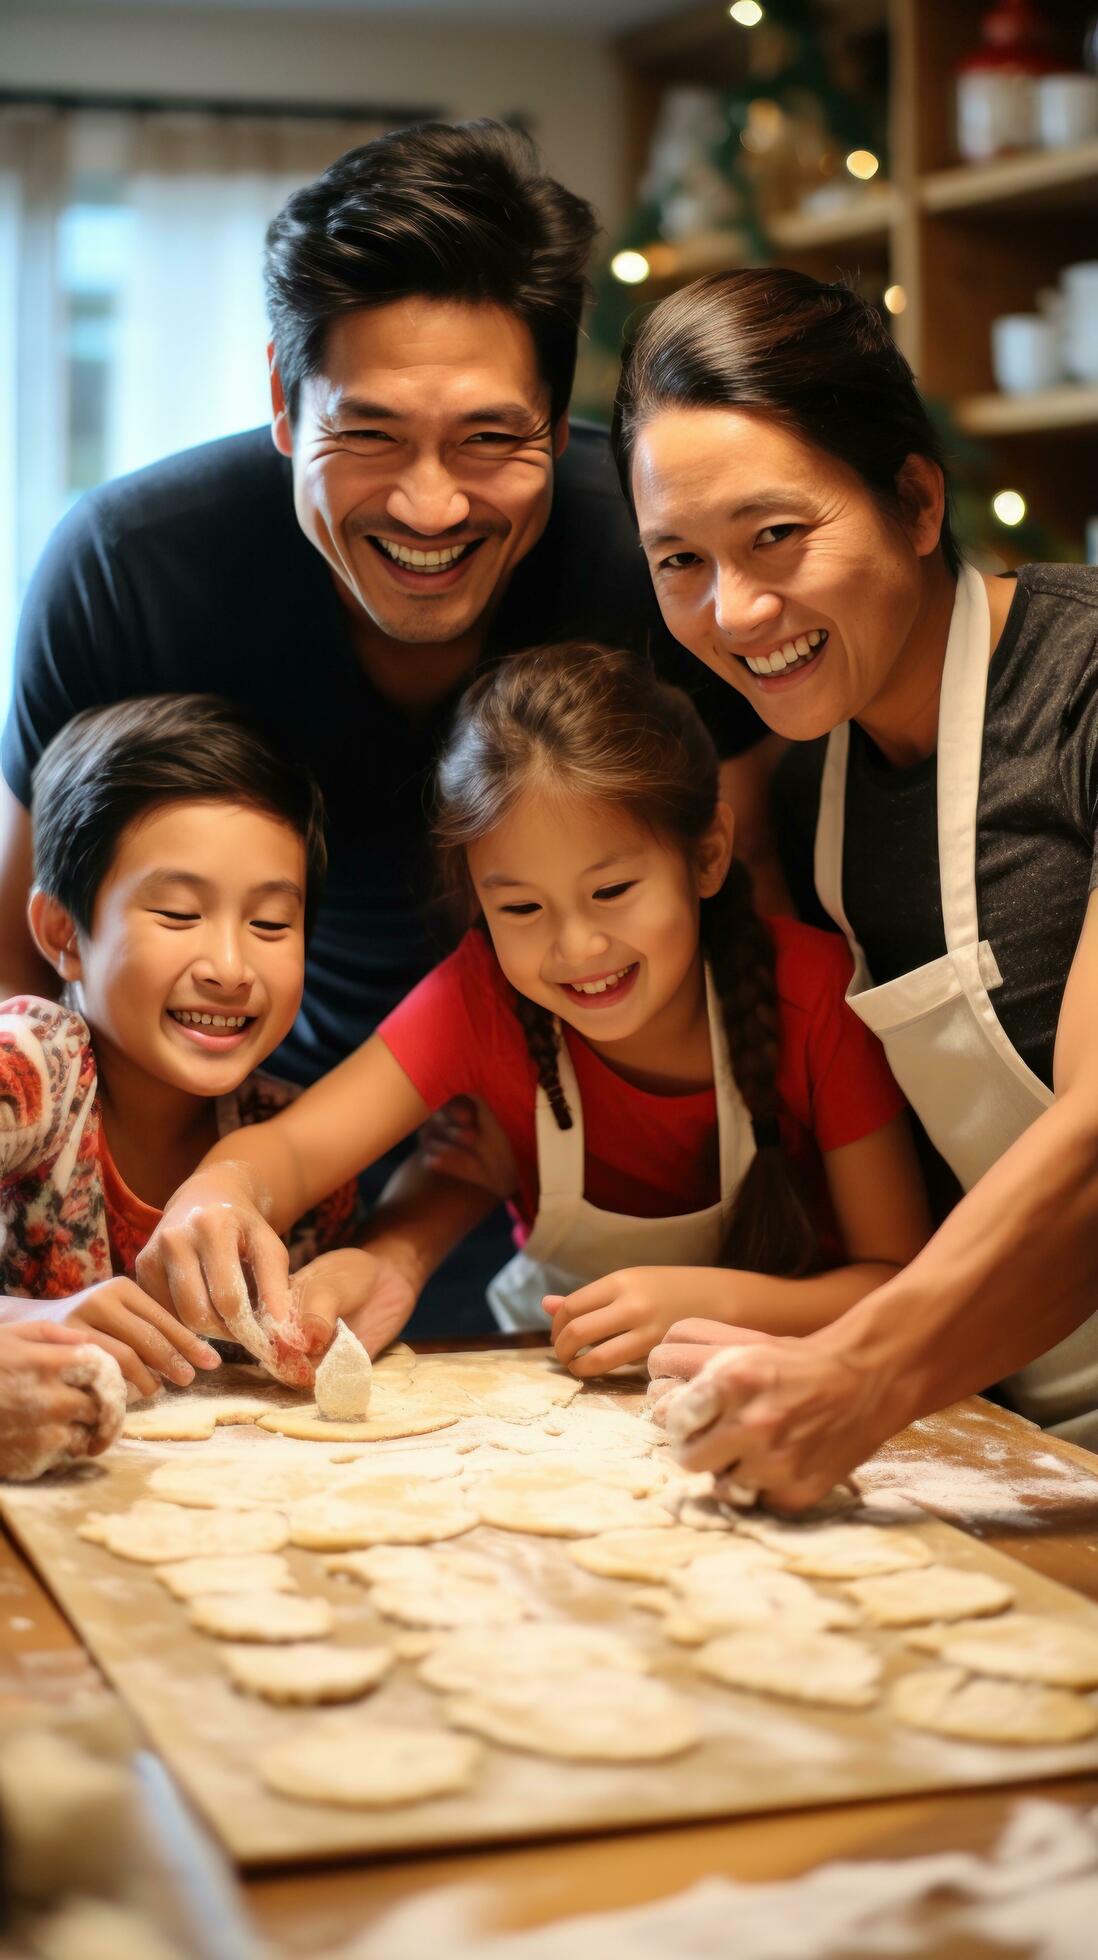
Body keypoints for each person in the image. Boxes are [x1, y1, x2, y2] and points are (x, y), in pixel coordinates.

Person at [2, 120, 772, 1333]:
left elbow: (753, 931)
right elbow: (25, 958)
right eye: (367, 434)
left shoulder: (657, 568)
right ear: (279, 399)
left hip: (576, 1166)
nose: (429, 504)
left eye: (489, 438)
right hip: (242, 1153)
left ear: (558, 413)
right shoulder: (127, 568)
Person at [608, 265, 1098, 1497]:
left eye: (777, 535)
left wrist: (861, 1374)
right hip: (1015, 1413)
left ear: (918, 502)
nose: (736, 609)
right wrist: (808, 1328)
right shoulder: (800, 797)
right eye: (680, 560)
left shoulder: (1083, 683)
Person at [133, 642, 929, 1369]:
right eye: (521, 909)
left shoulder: (816, 996)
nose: (577, 948)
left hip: (819, 1397)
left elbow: (900, 1280)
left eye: (613, 891)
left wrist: (705, 1304)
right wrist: (223, 1192)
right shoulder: (481, 998)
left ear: (708, 855)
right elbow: (296, 1154)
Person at [0, 694, 364, 1394]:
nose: (229, 968)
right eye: (178, 913)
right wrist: (27, 1321)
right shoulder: (26, 1069)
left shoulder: (294, 1158)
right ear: (64, 935)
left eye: (269, 924)